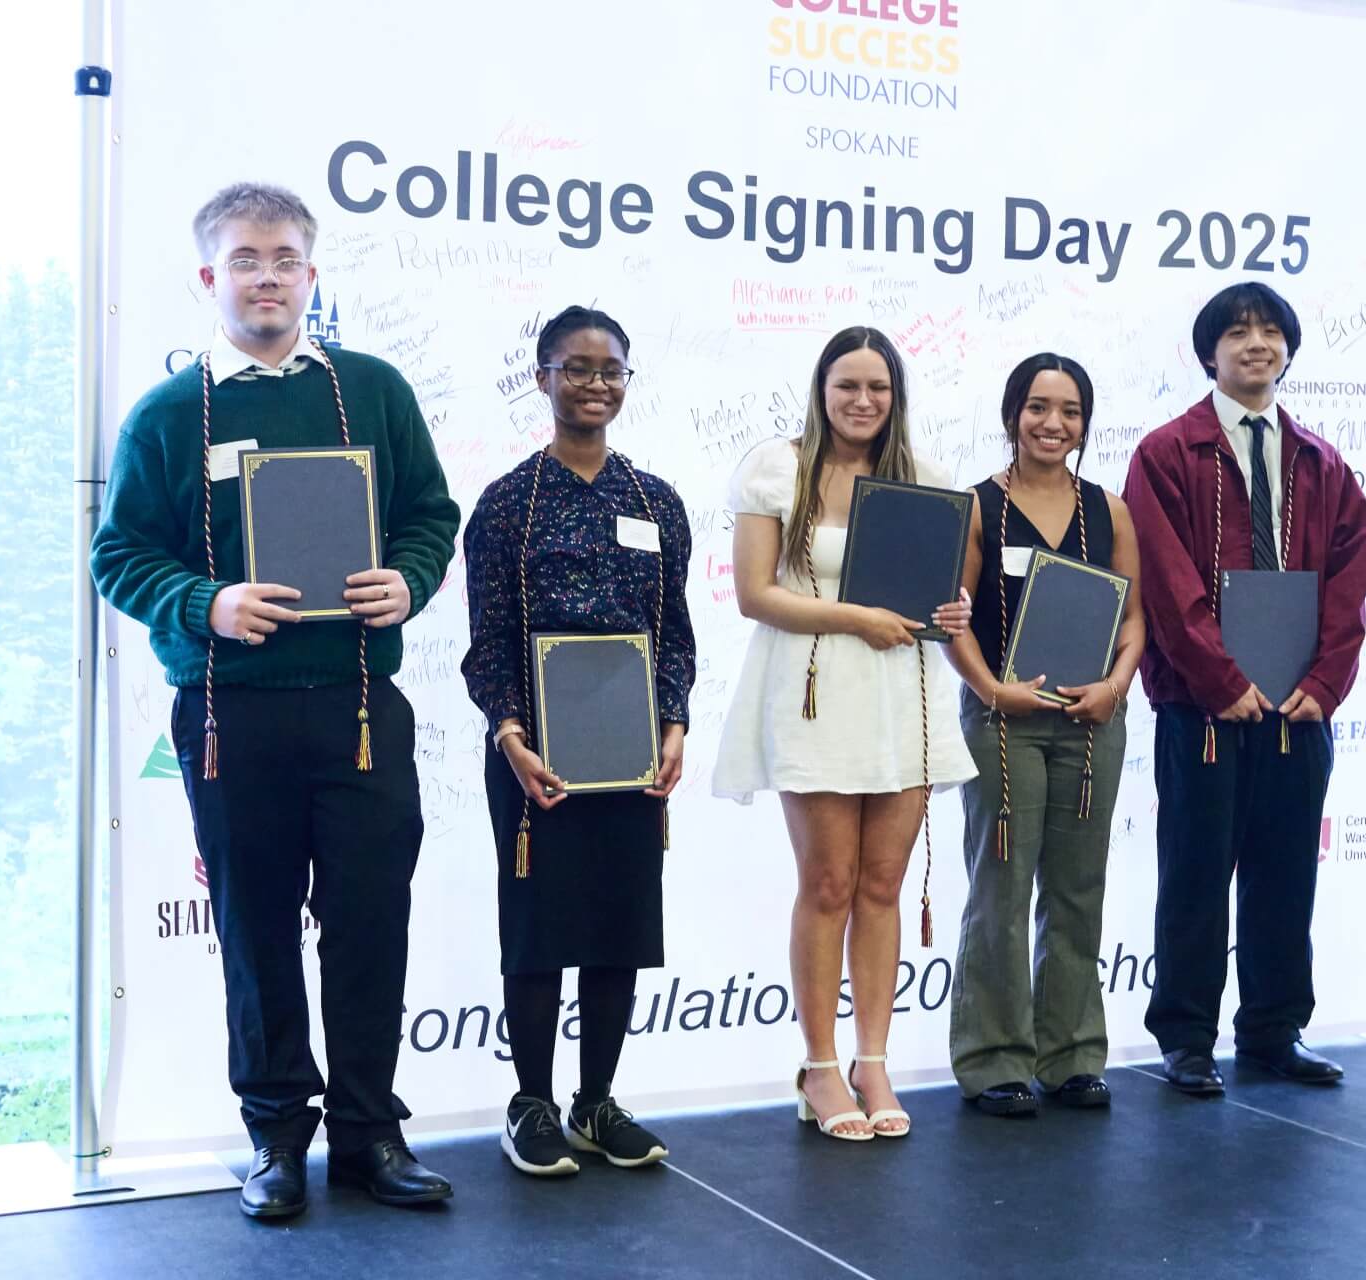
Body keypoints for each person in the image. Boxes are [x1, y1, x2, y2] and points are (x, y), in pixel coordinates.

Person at [90, 183, 459, 1218]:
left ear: (311, 274)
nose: (268, 277)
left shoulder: (373, 390)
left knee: (370, 924)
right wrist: (206, 602)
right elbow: (118, 555)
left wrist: (410, 580)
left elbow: (430, 515)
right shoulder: (169, 414)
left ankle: (370, 1134)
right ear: (210, 277)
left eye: (286, 259)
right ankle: (276, 1140)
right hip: (230, 715)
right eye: (246, 260)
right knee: (256, 934)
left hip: (358, 706)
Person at [714, 325, 976, 1140]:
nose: (863, 401)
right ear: (821, 390)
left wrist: (954, 611)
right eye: (847, 385)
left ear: (896, 397)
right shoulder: (777, 468)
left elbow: (942, 597)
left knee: (882, 886)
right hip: (814, 693)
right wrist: (856, 617)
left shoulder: (926, 480)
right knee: (828, 884)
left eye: (878, 387)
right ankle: (820, 1067)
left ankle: (873, 1061)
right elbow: (755, 595)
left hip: (903, 696)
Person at [1123, 281, 1366, 1096]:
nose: (1256, 343)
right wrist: (1220, 679)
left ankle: (1273, 1031)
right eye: (1237, 333)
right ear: (1210, 354)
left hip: (1298, 708)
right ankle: (1186, 1039)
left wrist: (1326, 682)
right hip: (1202, 708)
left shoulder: (1321, 462)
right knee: (1195, 873)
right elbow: (1166, 581)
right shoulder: (1167, 453)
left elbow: (1348, 581)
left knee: (1286, 872)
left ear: (1288, 350)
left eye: (1270, 331)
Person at [461, 305, 696, 1172]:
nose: (596, 384)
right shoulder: (508, 505)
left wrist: (674, 723)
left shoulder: (655, 502)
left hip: (631, 755)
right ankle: (531, 1103)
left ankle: (596, 1102)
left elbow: (674, 634)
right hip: (536, 755)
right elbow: (488, 641)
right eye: (578, 368)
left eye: (611, 370)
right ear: (543, 378)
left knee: (617, 924)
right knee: (538, 926)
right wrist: (510, 734)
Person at [944, 354, 1145, 1117]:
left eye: (1069, 410)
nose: (1052, 423)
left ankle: (1072, 1056)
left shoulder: (1108, 510)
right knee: (1000, 887)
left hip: (1090, 724)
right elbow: (951, 618)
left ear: (1085, 424)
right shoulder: (978, 508)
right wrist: (991, 688)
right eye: (1037, 407)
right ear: (1011, 415)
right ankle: (994, 1059)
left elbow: (1134, 619)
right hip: (1004, 721)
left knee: (1077, 888)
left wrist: (1114, 687)